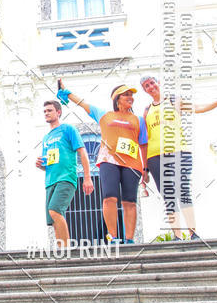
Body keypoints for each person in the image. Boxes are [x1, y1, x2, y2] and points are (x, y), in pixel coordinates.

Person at [140, 74, 217, 240]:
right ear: (145, 90)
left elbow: (198, 107)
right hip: (155, 156)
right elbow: (144, 139)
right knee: (168, 196)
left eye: (152, 83)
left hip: (178, 151)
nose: (151, 87)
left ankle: (193, 232)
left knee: (183, 191)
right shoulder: (146, 110)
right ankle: (177, 235)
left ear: (158, 82)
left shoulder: (174, 100)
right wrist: (145, 168)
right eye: (146, 86)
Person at [57, 79, 148, 244]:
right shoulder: (104, 115)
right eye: (126, 95)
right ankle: (113, 237)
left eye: (131, 95)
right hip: (109, 161)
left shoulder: (139, 120)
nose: (130, 97)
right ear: (117, 99)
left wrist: (146, 169)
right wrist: (66, 92)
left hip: (132, 164)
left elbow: (143, 145)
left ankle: (129, 239)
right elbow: (83, 104)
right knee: (109, 198)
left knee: (129, 201)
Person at [36, 99, 94, 247]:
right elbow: (50, 162)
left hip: (66, 178)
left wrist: (87, 178)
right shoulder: (46, 138)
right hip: (50, 181)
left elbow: (82, 152)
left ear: (58, 112)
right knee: (53, 219)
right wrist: (41, 166)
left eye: (49, 110)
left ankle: (67, 250)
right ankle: (61, 250)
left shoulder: (68, 129)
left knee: (55, 210)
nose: (46, 113)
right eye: (44, 111)